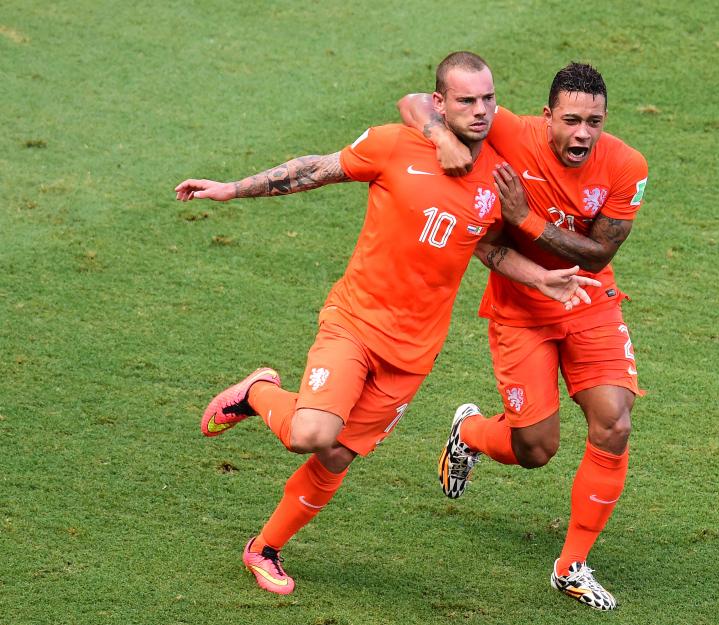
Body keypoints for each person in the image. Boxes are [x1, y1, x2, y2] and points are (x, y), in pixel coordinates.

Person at [174, 52, 601, 596]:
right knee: (310, 434)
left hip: (414, 352)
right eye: (466, 100)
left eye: (488, 99)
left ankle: (264, 549)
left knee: (336, 456)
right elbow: (316, 169)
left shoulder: (500, 176)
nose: (481, 111)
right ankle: (258, 391)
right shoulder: (394, 144)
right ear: (439, 103)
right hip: (355, 322)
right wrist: (232, 188)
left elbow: (489, 248)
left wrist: (540, 279)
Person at [397, 61, 649, 611]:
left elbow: (598, 254)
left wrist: (527, 220)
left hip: (588, 300)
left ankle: (571, 566)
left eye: (595, 122)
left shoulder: (627, 166)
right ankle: (470, 432)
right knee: (536, 449)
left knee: (615, 423)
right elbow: (415, 101)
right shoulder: (510, 131)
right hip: (521, 310)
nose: (582, 134)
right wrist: (442, 138)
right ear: (547, 116)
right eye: (571, 121)